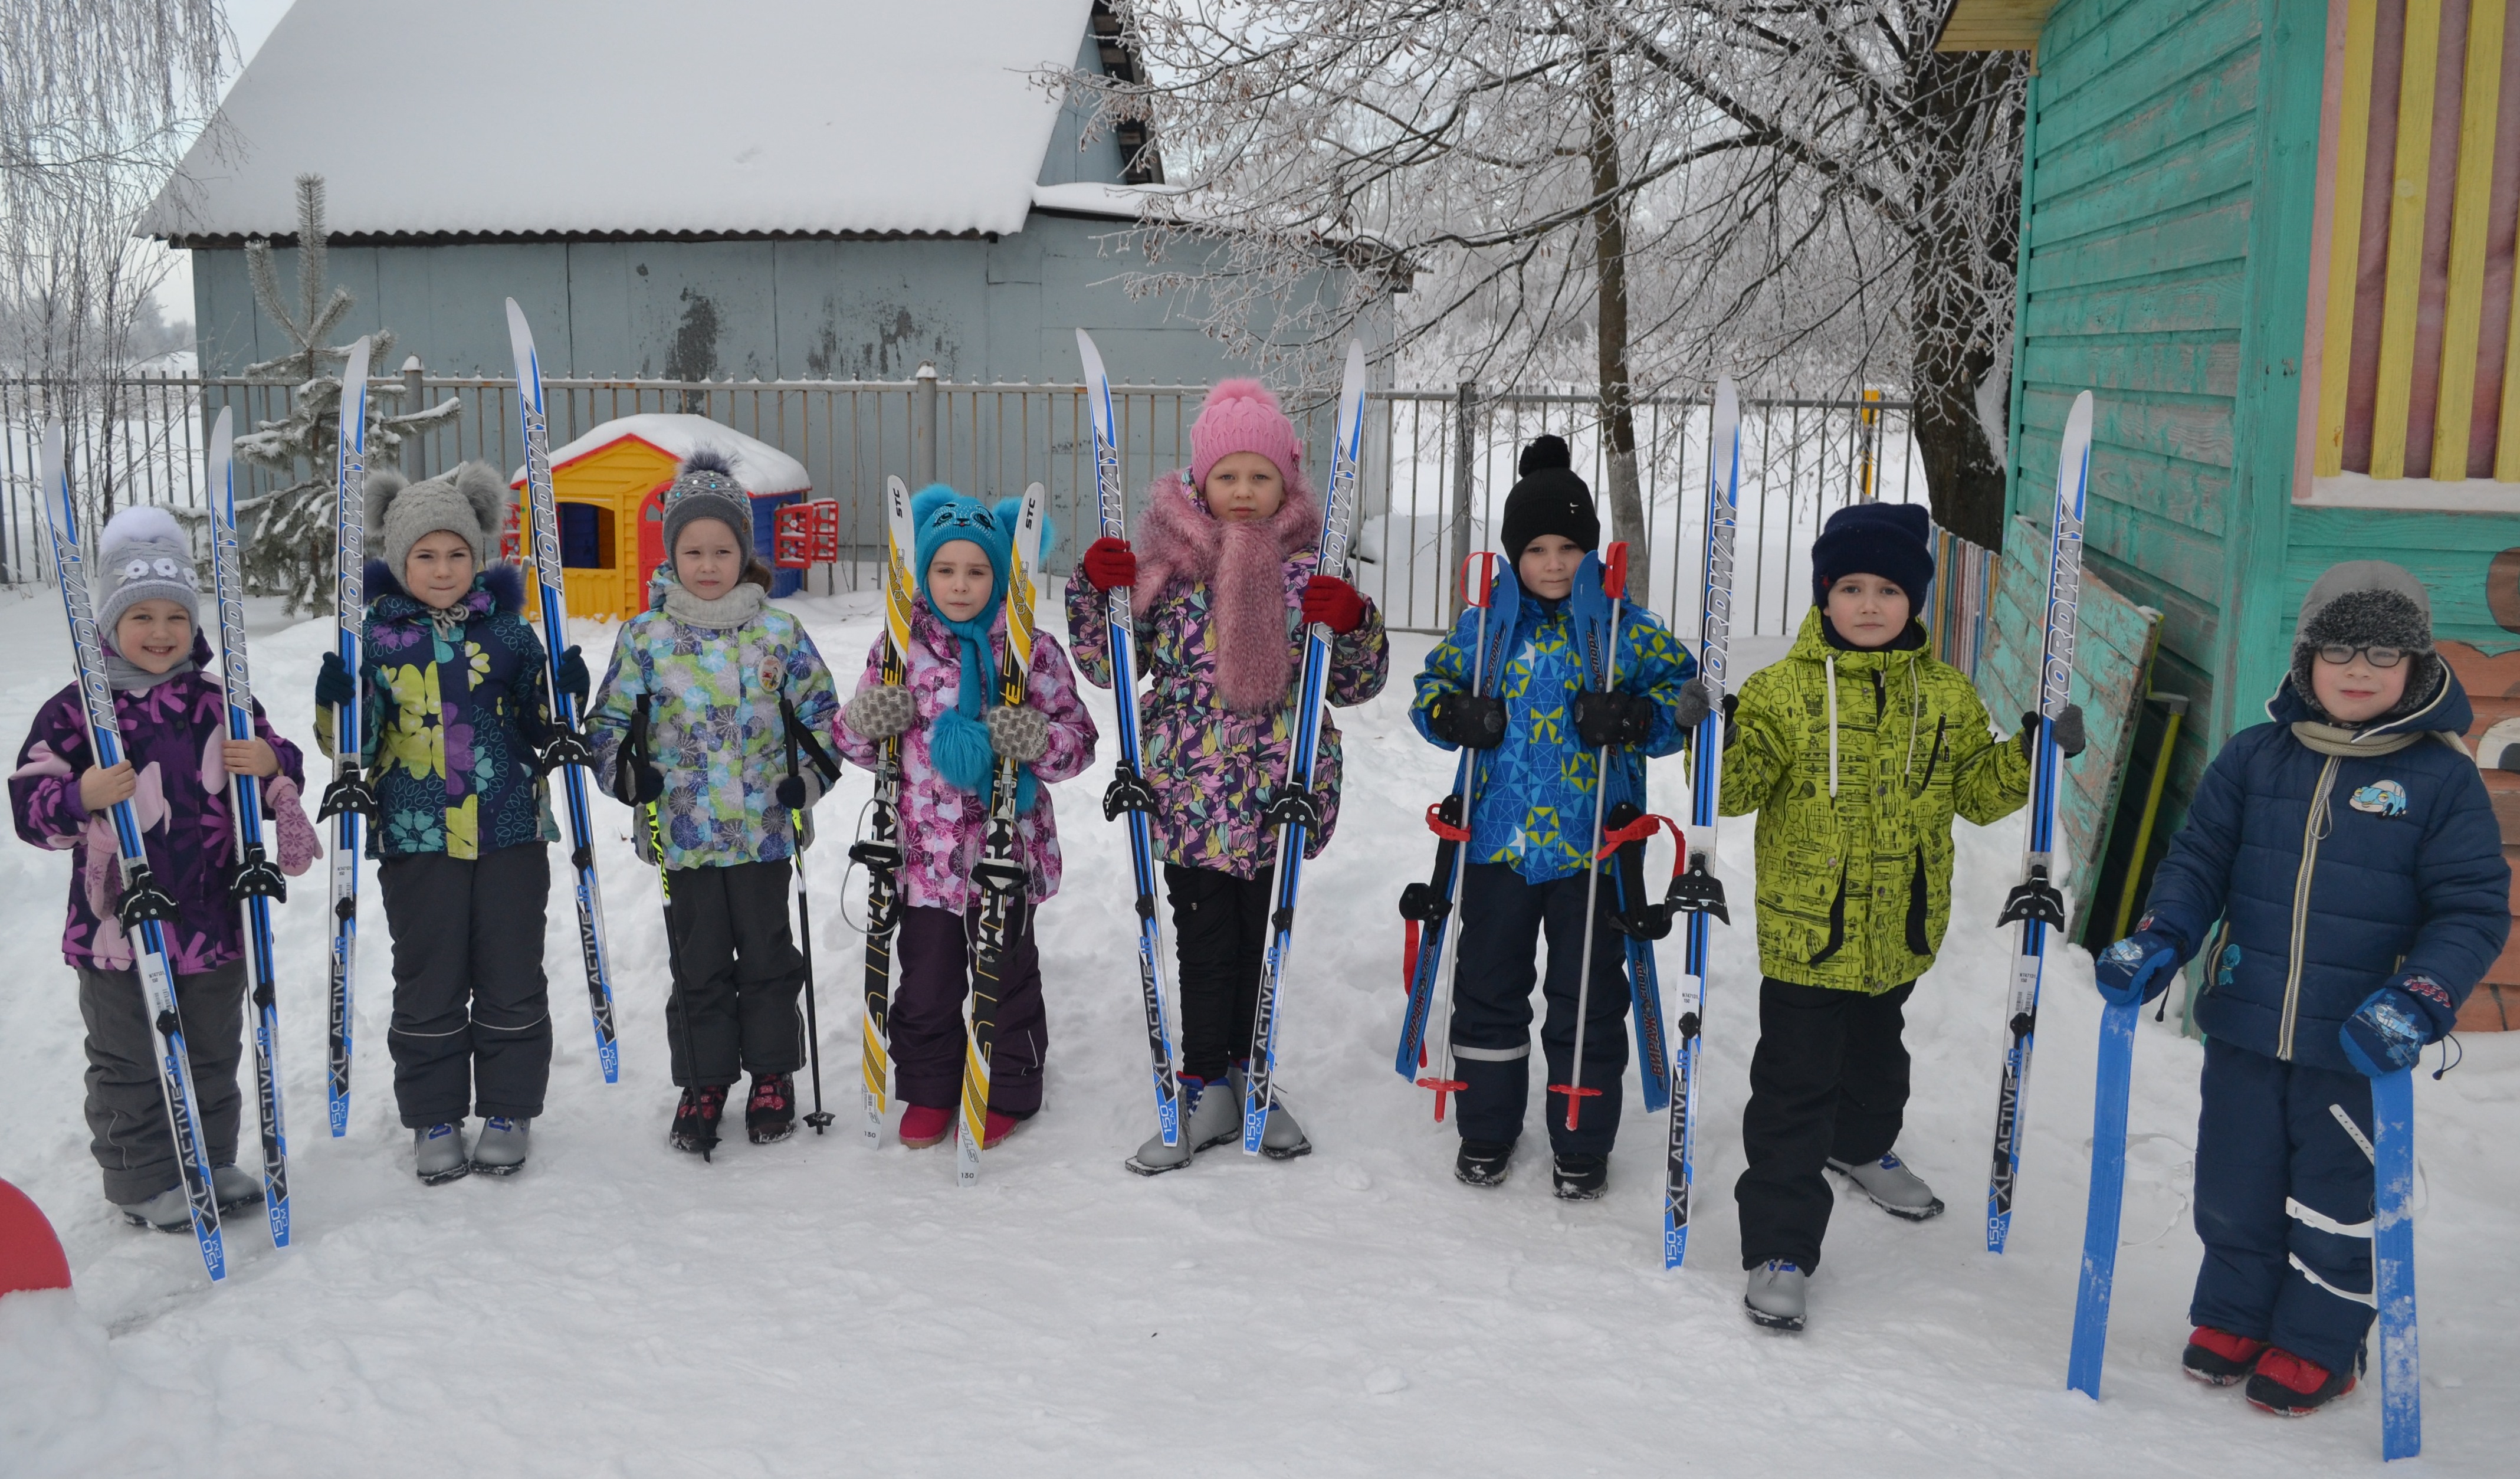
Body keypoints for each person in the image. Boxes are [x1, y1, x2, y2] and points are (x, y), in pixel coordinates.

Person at [2092, 560, 2506, 1415]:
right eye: (2339, 646)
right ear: (2306, 656)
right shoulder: (2255, 756)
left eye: (2385, 651)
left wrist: (2423, 995)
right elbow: (2200, 859)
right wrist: (2163, 934)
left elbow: (2471, 908)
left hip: (2356, 1042)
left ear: (2419, 666)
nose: (2359, 667)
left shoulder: (2441, 777)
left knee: (2336, 1193)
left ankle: (2321, 1339)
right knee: (2233, 1179)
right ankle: (2237, 1312)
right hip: (2246, 1022)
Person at [1721, 501, 2080, 1332]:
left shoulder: (1948, 695)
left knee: (1880, 1063)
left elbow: (1979, 795)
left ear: (1915, 599)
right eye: (1851, 586)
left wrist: (2032, 756)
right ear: (1823, 595)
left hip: (1901, 928)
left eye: (1889, 587)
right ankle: (1780, 1245)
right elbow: (1735, 791)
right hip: (1810, 933)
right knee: (1793, 1092)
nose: (1871, 603)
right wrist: (1718, 736)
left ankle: (1863, 1144)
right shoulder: (1782, 692)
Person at [1065, 377, 1389, 1173]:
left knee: (1262, 942)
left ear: (1288, 483)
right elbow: (1111, 664)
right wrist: (1097, 593)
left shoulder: (1308, 570)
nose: (1244, 491)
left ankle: (1254, 1075)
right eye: (1228, 475)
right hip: (1190, 797)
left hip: (1280, 792)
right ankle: (1205, 1083)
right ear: (1200, 481)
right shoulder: (1169, 569)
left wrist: (1352, 623)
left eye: (1261, 476)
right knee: (1207, 944)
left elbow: (1352, 681)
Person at [1409, 434, 1702, 1199]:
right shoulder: (1486, 629)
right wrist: (1456, 712)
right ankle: (1487, 1123)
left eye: (1569, 545)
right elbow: (1428, 692)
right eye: (1536, 547)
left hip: (1593, 848)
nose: (1553, 562)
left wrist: (1638, 715)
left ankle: (1581, 1134)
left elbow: (1686, 699)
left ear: (1591, 549)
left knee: (1589, 989)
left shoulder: (1623, 628)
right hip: (1499, 843)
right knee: (1490, 982)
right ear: (1513, 554)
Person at [11, 506, 315, 1228]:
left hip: (214, 915)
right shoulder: (79, 711)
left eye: (175, 616)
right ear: (110, 625)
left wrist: (270, 761)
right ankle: (144, 1178)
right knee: (129, 1059)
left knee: (211, 1048)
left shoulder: (220, 701)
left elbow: (284, 769)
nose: (160, 632)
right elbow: (29, 800)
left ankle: (211, 1158)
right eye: (140, 616)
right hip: (117, 925)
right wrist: (81, 792)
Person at [315, 463, 576, 1184]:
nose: (443, 568)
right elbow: (356, 748)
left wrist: (563, 694)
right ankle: (434, 1114)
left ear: (480, 554)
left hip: (511, 831)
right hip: (416, 833)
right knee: (429, 976)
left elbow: (538, 721)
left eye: (457, 553)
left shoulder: (511, 633)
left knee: (510, 970)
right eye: (425, 555)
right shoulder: (376, 637)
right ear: (399, 561)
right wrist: (338, 705)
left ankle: (507, 1106)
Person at [584, 450, 841, 1157]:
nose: (707, 563)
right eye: (692, 550)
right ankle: (702, 1079)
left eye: (722, 549)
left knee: (766, 954)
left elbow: (823, 718)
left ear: (743, 553)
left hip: (763, 831)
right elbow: (606, 726)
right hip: (684, 834)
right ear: (671, 553)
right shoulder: (646, 638)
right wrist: (627, 776)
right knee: (696, 962)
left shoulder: (779, 634)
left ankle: (771, 1074)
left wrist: (808, 782)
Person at [833, 485, 1096, 1149]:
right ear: (924, 574)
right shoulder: (898, 647)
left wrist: (1036, 736)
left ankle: (1008, 1085)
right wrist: (869, 721)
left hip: (1002, 854)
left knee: (1005, 979)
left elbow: (1080, 742)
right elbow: (854, 738)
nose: (960, 584)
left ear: (1000, 573)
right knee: (925, 982)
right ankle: (928, 1087)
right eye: (945, 570)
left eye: (977, 570)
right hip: (922, 860)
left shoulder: (1030, 650)